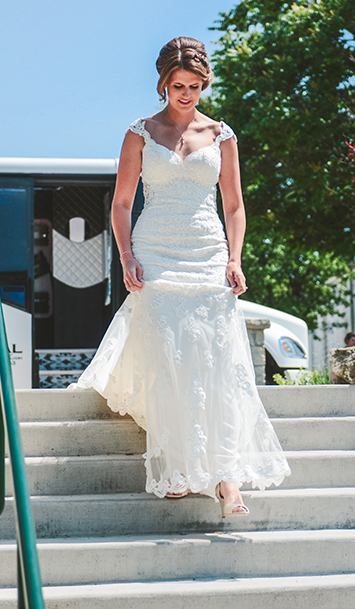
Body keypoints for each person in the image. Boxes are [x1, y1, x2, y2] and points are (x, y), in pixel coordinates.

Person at [75, 37, 290, 518]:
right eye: (178, 86)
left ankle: (228, 479)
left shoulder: (222, 135)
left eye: (194, 86)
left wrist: (235, 260)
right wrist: (127, 256)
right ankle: (176, 466)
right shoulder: (140, 133)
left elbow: (234, 206)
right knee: (169, 361)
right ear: (163, 84)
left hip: (208, 251)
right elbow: (122, 204)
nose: (187, 94)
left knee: (218, 361)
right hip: (155, 252)